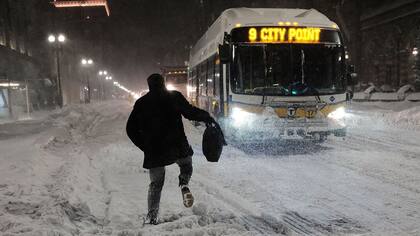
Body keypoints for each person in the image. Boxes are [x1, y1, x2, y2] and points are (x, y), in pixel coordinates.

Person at [126, 73, 214, 225]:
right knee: (186, 165)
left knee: (156, 184)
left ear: (149, 85)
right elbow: (190, 112)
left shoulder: (141, 103)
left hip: (154, 150)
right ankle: (184, 183)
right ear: (163, 83)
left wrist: (144, 146)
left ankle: (152, 216)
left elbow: (130, 129)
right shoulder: (174, 96)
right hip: (177, 145)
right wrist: (207, 117)